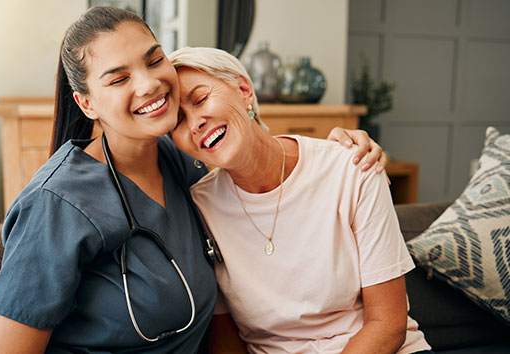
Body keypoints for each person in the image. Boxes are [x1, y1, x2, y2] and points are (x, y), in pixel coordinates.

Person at [0, 6, 385, 354]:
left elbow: (257, 155)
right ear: (87, 103)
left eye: (154, 60)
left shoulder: (182, 159)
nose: (149, 83)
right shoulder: (57, 204)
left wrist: (337, 149)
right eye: (118, 79)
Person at [169, 46, 433, 354]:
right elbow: (225, 337)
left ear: (243, 91)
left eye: (200, 99)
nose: (195, 123)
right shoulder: (199, 208)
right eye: (177, 122)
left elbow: (388, 324)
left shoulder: (353, 167)